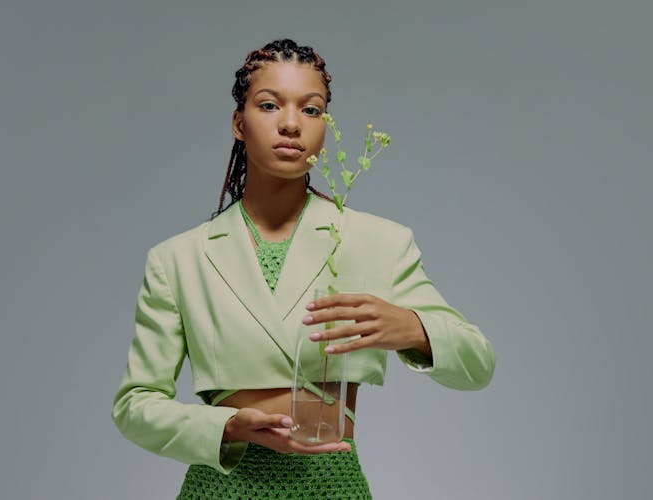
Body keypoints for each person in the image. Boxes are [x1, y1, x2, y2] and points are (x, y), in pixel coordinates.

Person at [112, 38, 495, 499]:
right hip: (221, 485)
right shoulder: (178, 259)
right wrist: (228, 426)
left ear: (325, 127)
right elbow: (135, 406)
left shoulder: (379, 243)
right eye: (269, 105)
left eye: (311, 110)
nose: (291, 124)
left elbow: (478, 364)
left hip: (331, 484)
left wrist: (413, 329)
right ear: (239, 122)